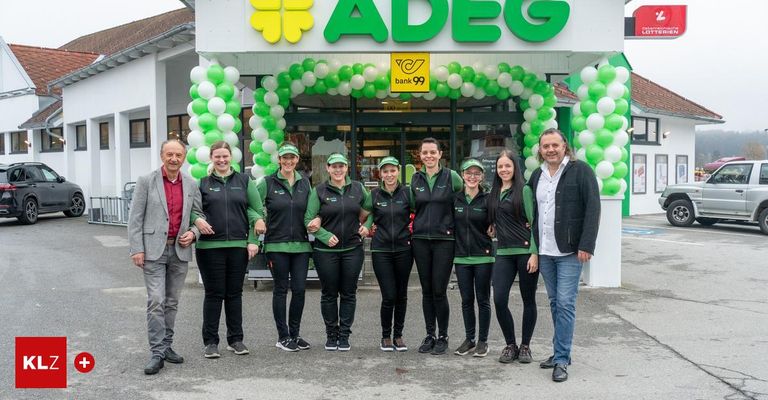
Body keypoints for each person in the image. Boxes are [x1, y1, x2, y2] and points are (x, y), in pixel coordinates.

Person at [528, 128, 600, 382]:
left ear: (564, 146)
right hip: (545, 250)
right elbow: (532, 211)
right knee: (554, 302)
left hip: (570, 250)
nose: (550, 150)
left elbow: (593, 208)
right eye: (545, 146)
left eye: (554, 145)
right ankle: (560, 351)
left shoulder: (581, 171)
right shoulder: (537, 175)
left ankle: (561, 359)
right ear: (540, 150)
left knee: (565, 303)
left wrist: (587, 244)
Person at [128, 139, 203, 375]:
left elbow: (198, 214)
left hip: (179, 251)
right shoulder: (146, 181)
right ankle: (157, 352)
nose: (174, 159)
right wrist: (137, 248)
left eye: (178, 155)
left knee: (171, 302)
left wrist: (194, 232)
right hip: (153, 251)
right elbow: (135, 218)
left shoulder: (191, 184)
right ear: (162, 156)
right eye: (169, 154)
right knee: (156, 300)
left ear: (184, 158)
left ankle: (167, 345)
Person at [192, 141, 263, 359]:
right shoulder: (202, 183)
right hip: (209, 247)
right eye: (217, 156)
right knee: (213, 294)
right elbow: (191, 209)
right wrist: (197, 219)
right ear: (211, 158)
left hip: (238, 247)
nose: (222, 160)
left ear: (231, 157)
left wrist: (253, 240)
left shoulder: (244, 181)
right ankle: (211, 342)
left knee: (234, 294)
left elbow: (256, 210)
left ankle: (236, 340)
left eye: (225, 156)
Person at [304, 153, 372, 351]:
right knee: (329, 293)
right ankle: (331, 334)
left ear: (347, 168)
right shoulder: (319, 191)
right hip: (326, 251)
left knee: (349, 293)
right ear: (328, 168)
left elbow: (371, 210)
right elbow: (308, 219)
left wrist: (367, 226)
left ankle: (344, 335)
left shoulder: (358, 188)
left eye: (341, 166)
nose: (338, 170)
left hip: (352, 249)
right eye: (334, 166)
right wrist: (324, 235)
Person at [255, 143, 313, 352]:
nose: (288, 161)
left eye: (292, 157)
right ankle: (283, 336)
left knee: (299, 290)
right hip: (276, 245)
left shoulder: (304, 183)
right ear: (279, 159)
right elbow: (253, 206)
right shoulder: (267, 182)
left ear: (297, 160)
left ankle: (294, 334)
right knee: (280, 289)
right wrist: (259, 220)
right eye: (285, 158)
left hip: (301, 246)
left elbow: (312, 210)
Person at [410, 138, 463, 355]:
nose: (429, 156)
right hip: (421, 240)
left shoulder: (452, 177)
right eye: (425, 152)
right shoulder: (415, 178)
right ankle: (430, 334)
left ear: (440, 154)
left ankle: (443, 336)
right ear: (420, 155)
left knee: (439, 290)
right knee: (426, 290)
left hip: (444, 240)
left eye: (433, 152)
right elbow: (412, 206)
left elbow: (467, 196)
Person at [487, 150, 539, 364]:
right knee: (499, 299)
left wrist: (535, 253)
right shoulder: (494, 192)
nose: (504, 169)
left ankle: (525, 346)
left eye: (507, 165)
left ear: (515, 167)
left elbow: (534, 222)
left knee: (528, 299)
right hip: (503, 253)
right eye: (500, 166)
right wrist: (492, 225)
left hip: (526, 253)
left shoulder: (524, 190)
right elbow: (495, 217)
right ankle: (511, 345)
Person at [369, 156, 413, 352]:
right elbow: (364, 214)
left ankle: (398, 335)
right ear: (380, 174)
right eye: (385, 171)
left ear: (398, 171)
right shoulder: (374, 194)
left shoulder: (407, 193)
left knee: (401, 295)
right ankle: (386, 336)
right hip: (381, 250)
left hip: (404, 249)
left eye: (392, 170)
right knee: (389, 295)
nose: (389, 174)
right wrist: (367, 226)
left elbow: (420, 212)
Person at [452, 159, 494, 358]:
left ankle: (483, 341)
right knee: (466, 300)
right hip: (461, 258)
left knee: (483, 300)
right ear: (462, 175)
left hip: (483, 257)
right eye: (469, 173)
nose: (472, 177)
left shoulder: (488, 199)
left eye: (476, 173)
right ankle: (470, 339)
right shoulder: (455, 199)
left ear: (482, 177)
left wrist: (495, 227)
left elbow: (498, 220)